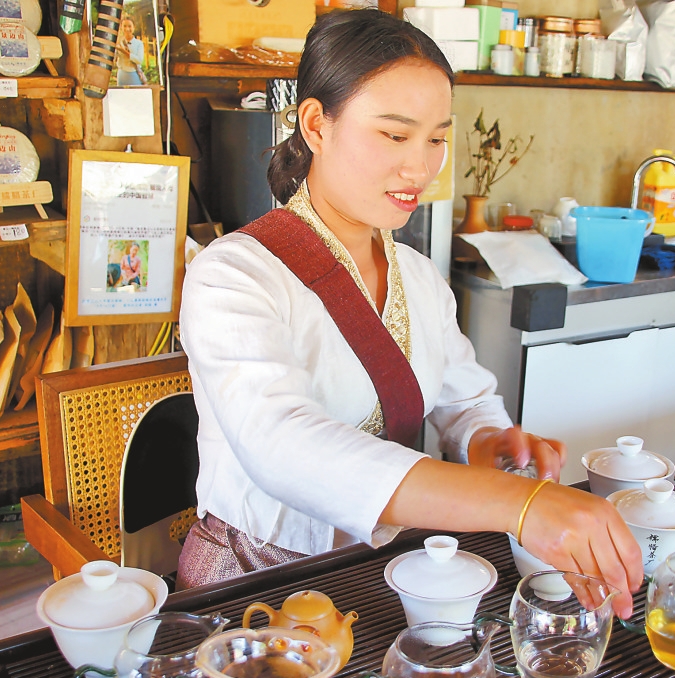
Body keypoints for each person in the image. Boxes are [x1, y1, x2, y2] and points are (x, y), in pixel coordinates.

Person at [178, 9, 642, 617]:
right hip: (253, 584)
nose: (420, 168)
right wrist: (518, 504)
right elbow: (281, 443)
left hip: (372, 570)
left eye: (437, 139)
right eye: (395, 136)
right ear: (316, 124)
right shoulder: (234, 274)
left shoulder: (419, 278)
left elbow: (466, 401)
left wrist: (488, 439)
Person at [115, 18, 145, 86]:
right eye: (124, 26)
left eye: (129, 26)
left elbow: (139, 60)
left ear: (134, 27)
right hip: (122, 74)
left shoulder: (139, 43)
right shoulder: (119, 42)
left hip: (134, 74)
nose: (127, 29)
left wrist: (123, 51)